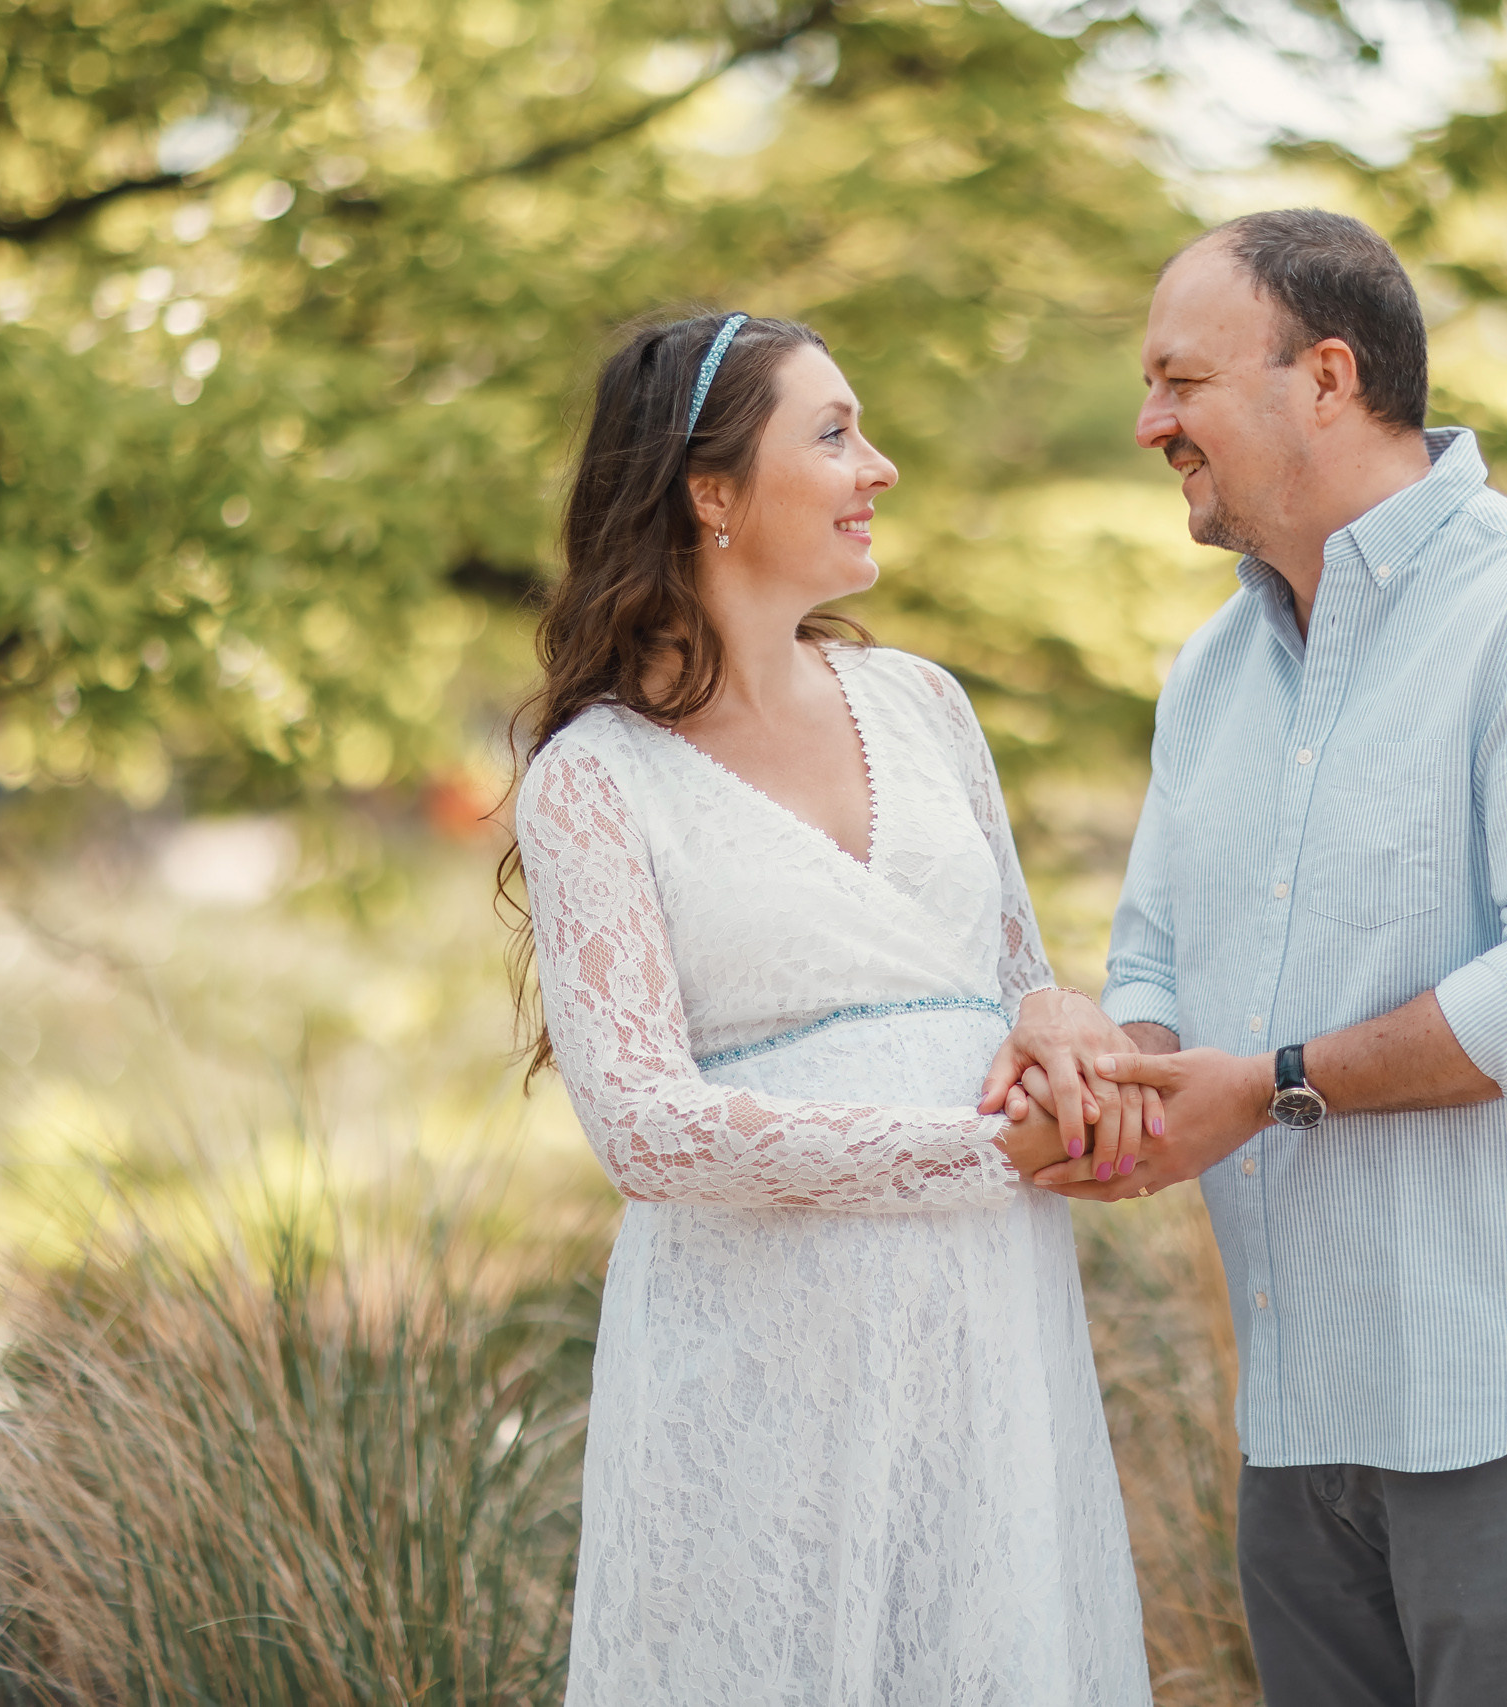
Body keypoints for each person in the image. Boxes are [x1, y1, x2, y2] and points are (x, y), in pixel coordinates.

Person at [992, 209, 1507, 1706]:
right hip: (1297, 1418)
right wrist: (1110, 1085)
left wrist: (1274, 1088)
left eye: (1180, 380)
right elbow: (1158, 962)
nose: (1148, 422)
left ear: (1324, 376)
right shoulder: (1213, 671)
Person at [507, 310, 1153, 1705]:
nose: (883, 467)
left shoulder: (921, 703)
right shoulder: (593, 780)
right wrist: (977, 1158)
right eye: (836, 432)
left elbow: (1005, 966)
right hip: (764, 1350)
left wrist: (1052, 1013)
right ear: (712, 492)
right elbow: (643, 1131)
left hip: (985, 1318)